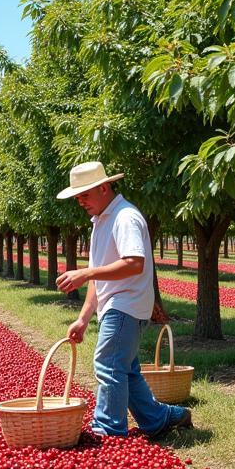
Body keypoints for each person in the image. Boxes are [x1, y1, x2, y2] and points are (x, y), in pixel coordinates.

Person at [55, 161, 192, 440]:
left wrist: (85, 272)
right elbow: (100, 275)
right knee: (126, 371)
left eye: (84, 194)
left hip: (126, 304)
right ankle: (163, 419)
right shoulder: (102, 220)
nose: (80, 201)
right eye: (77, 196)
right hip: (116, 305)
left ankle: (108, 429)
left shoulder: (124, 217)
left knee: (107, 363)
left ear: (104, 187)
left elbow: (134, 263)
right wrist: (83, 317)